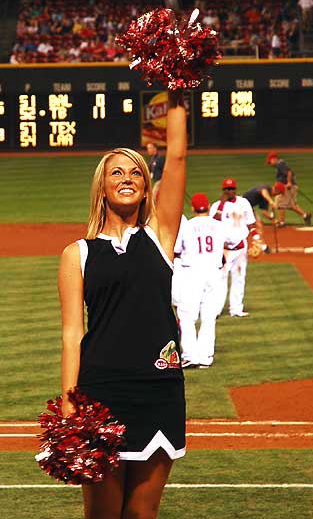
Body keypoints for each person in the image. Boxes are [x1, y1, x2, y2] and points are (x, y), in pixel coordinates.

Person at [58, 88, 187, 518]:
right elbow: (73, 331)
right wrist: (69, 398)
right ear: (102, 186)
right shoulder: (78, 253)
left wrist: (178, 89)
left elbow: (178, 159)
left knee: (141, 513)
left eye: (135, 171)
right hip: (102, 390)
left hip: (158, 389)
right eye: (117, 172)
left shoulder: (160, 236)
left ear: (146, 184)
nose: (127, 177)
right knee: (102, 513)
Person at [173, 193, 244, 368]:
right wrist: (221, 246)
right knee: (208, 316)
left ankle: (190, 355)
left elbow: (176, 250)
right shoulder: (219, 225)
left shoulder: (187, 226)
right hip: (214, 275)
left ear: (193, 208)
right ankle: (205, 357)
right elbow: (237, 241)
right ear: (207, 207)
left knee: (187, 315)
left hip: (192, 275)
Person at [209, 178, 257, 318]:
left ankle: (236, 309)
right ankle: (216, 310)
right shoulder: (217, 206)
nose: (230, 191)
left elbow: (251, 223)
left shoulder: (244, 203)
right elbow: (212, 224)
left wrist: (256, 238)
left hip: (241, 248)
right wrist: (222, 205)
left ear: (235, 189)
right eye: (227, 189)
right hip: (224, 250)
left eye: (232, 189)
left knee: (239, 277)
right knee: (220, 279)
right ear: (223, 190)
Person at [266, 152, 312, 227]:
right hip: (290, 187)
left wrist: (289, 182)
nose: (270, 164)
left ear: (274, 159)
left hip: (287, 187)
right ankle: (305, 215)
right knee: (291, 205)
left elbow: (289, 172)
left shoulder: (280, 164)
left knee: (280, 204)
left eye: (270, 161)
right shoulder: (280, 164)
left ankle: (282, 222)